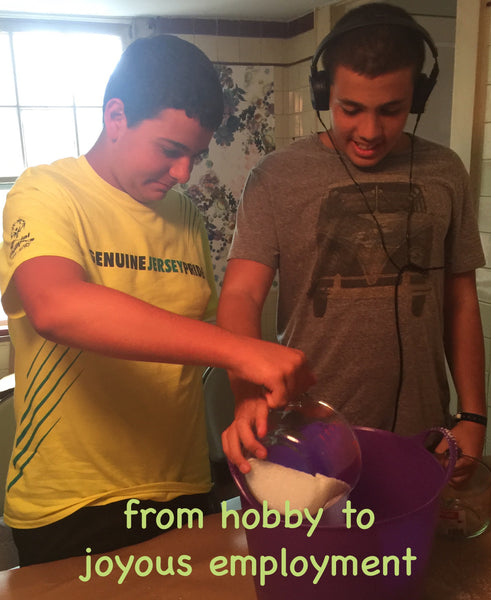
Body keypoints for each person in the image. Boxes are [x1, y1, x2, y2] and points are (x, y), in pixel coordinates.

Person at [0, 34, 314, 566]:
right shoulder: (45, 191)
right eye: (170, 151)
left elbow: (199, 332)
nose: (183, 173)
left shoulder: (184, 214)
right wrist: (245, 352)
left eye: (195, 155)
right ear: (116, 117)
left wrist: (245, 397)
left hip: (183, 487)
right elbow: (56, 306)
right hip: (74, 501)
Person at [217, 3, 487, 475]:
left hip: (423, 435)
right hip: (309, 433)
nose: (369, 131)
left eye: (391, 110)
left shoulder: (446, 171)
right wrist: (245, 397)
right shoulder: (276, 176)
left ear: (418, 97)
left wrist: (473, 415)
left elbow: (460, 299)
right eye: (350, 109)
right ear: (325, 93)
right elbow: (241, 294)